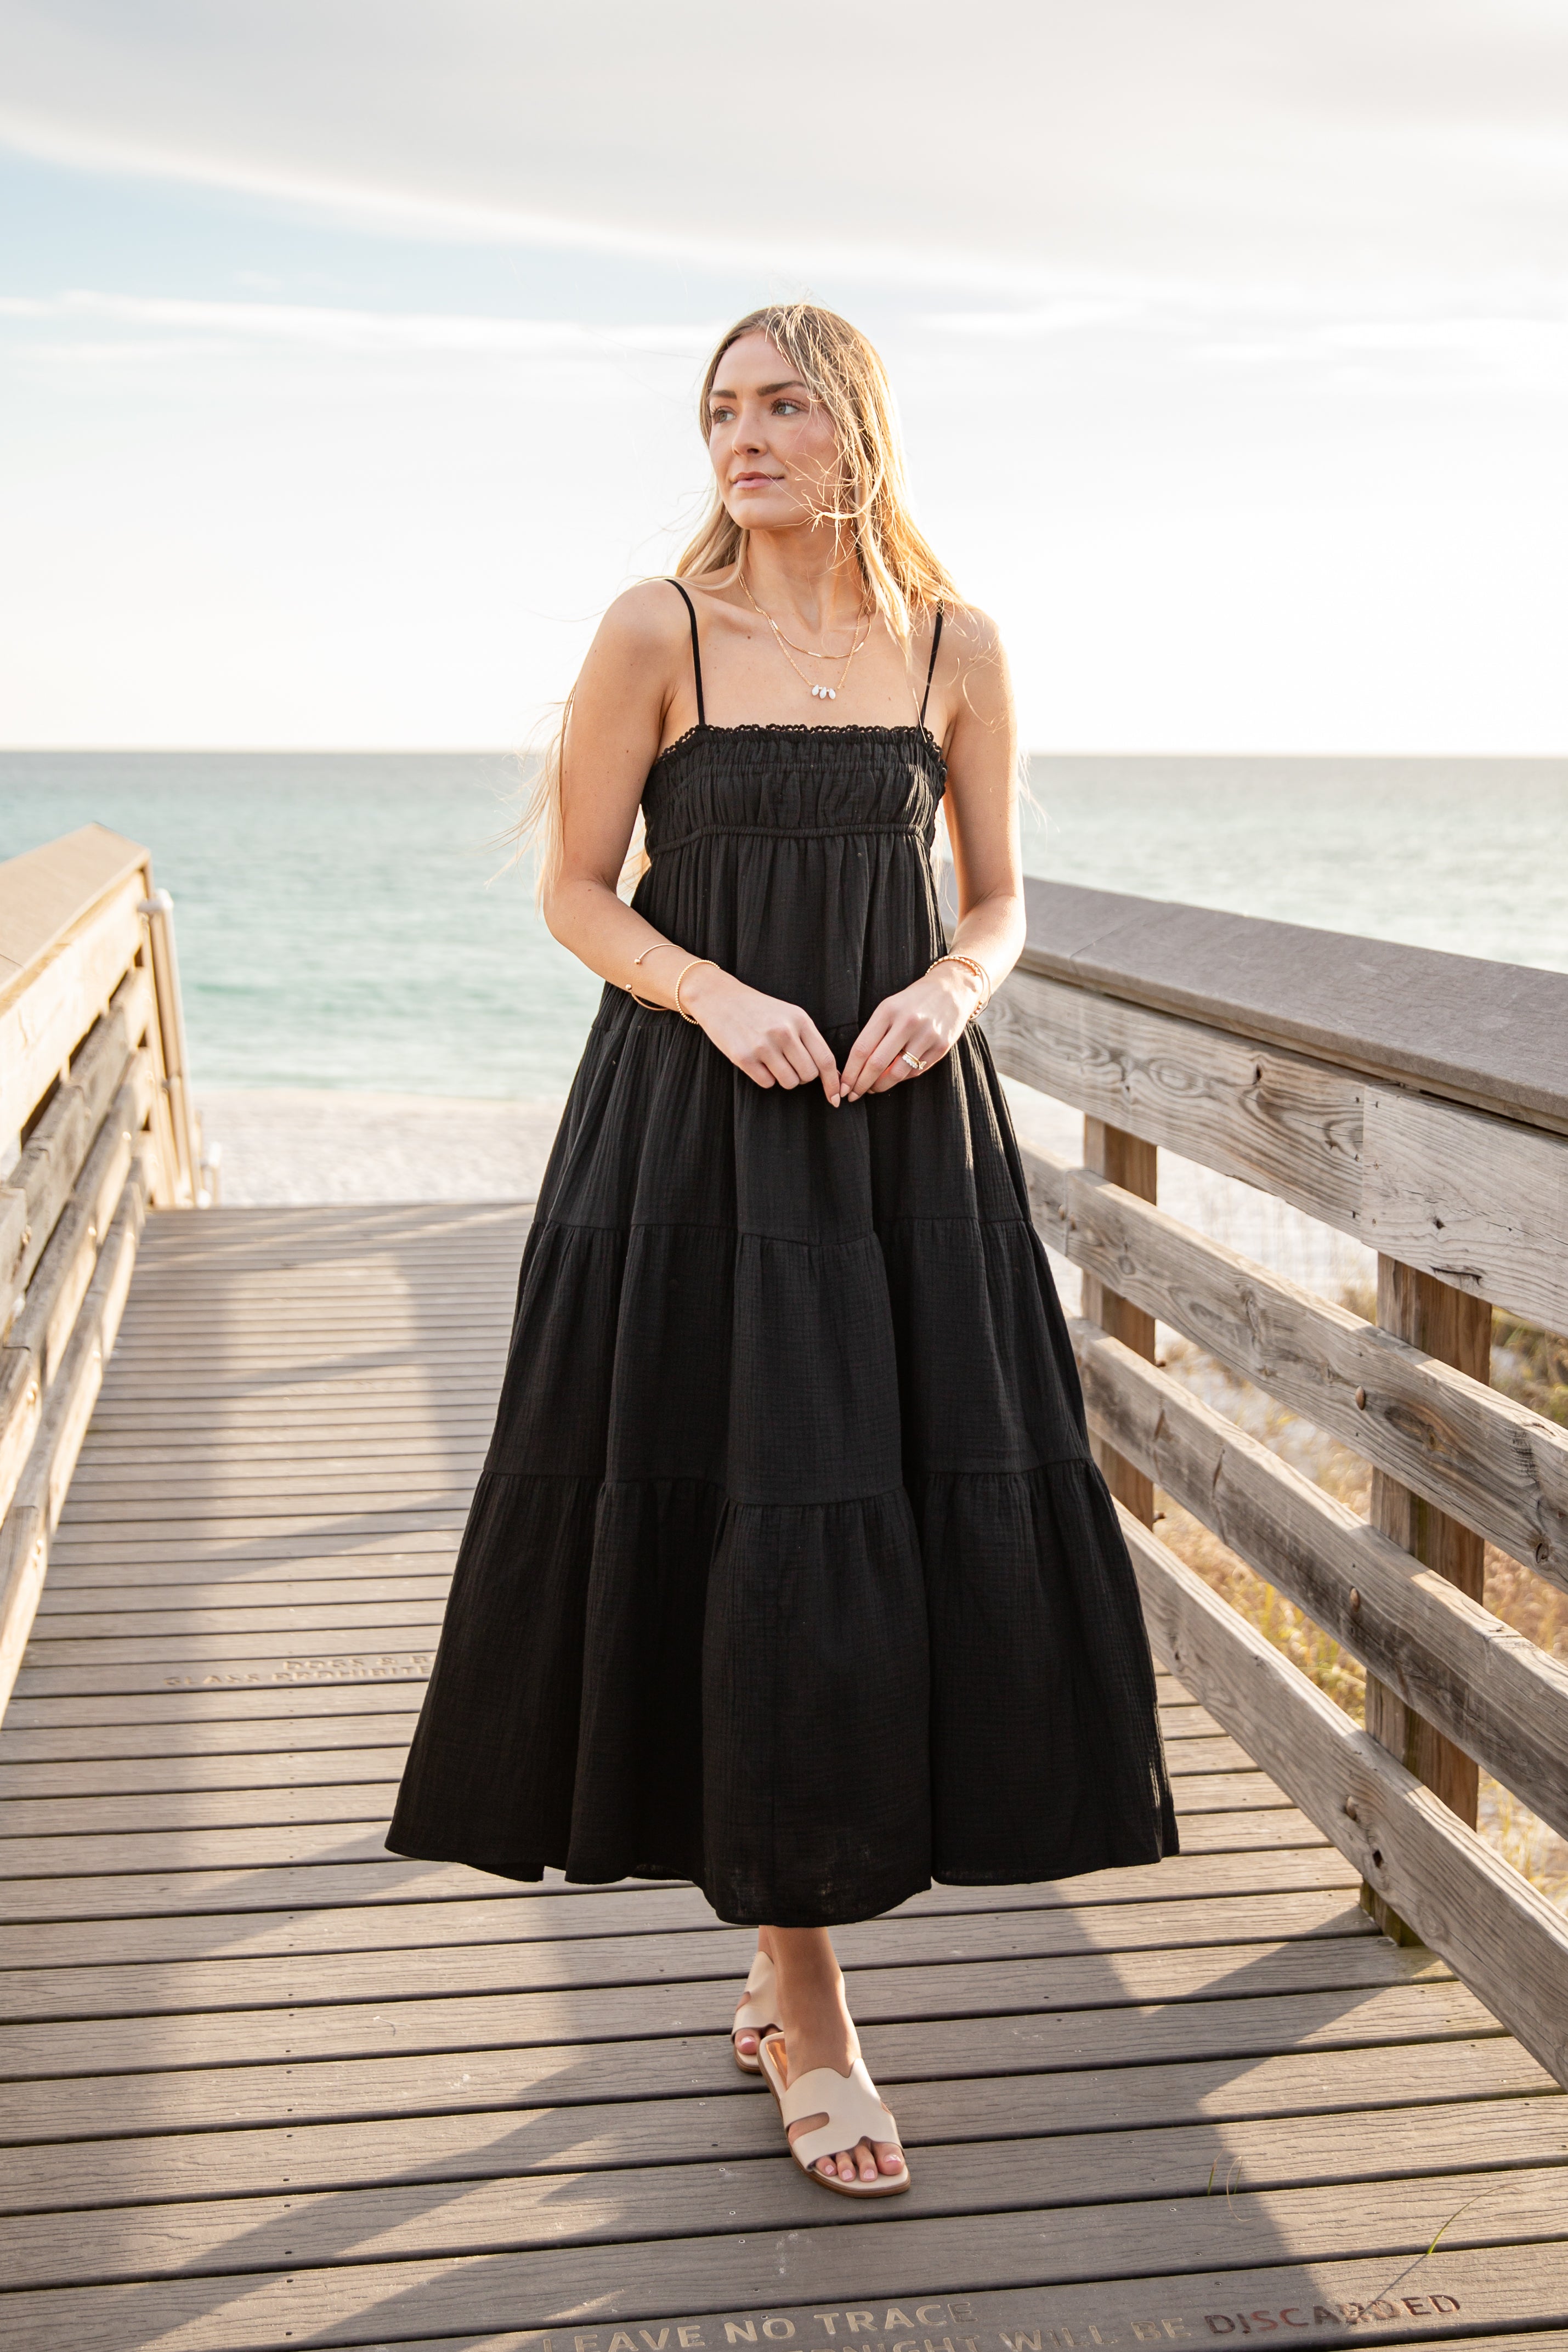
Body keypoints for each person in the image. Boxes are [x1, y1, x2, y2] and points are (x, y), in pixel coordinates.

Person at [387, 302, 1177, 2201]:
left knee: (855, 1519)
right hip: (693, 1130)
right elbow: (577, 889)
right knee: (749, 1518)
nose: (743, 437)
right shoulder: (655, 629)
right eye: (720, 409)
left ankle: (780, 1963)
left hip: (899, 1140)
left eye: (782, 406)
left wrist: (952, 991)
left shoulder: (952, 646)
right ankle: (811, 2006)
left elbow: (996, 897)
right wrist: (716, 997)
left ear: (858, 431)